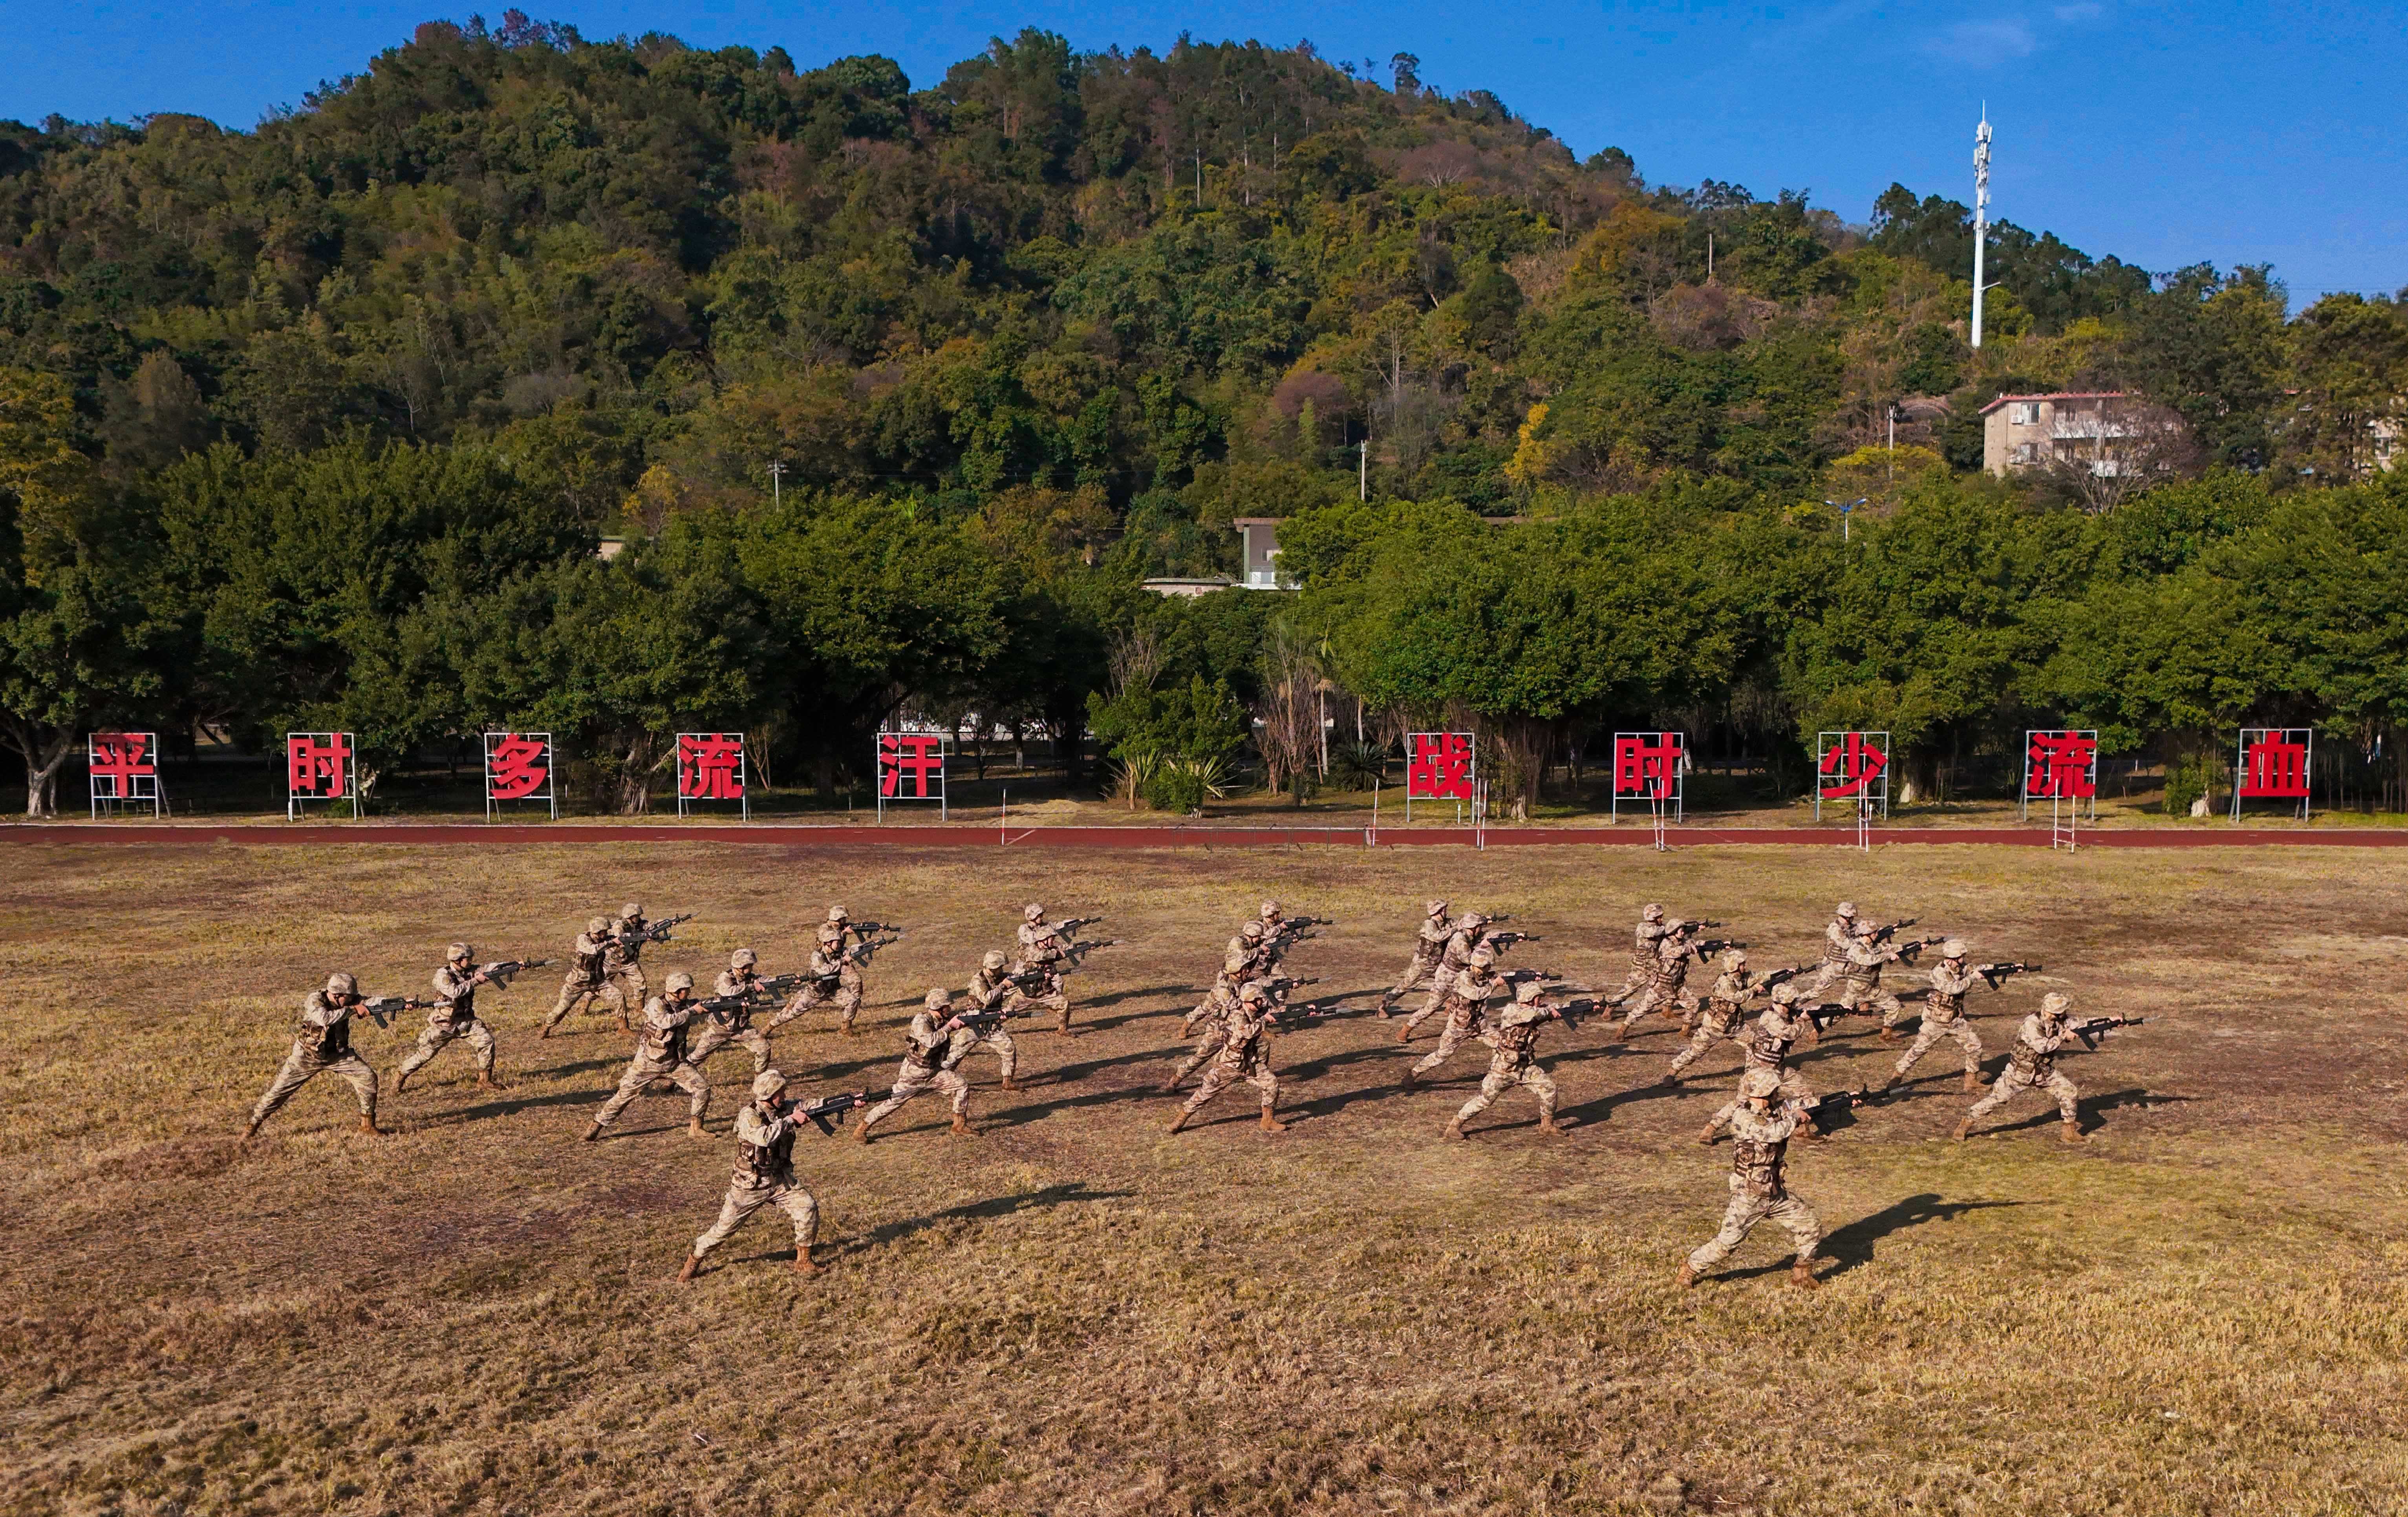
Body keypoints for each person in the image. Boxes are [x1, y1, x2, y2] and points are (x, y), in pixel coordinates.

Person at [676, 1069, 842, 1283]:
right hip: (750, 1186)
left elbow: (811, 1105)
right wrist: (791, 1121)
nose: (785, 1095)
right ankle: (694, 1261)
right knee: (723, 1230)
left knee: (807, 1208)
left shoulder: (783, 1108)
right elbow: (763, 1137)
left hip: (780, 1180)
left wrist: (847, 1101)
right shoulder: (749, 1116)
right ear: (769, 1095)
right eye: (781, 1092)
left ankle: (804, 1262)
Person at [1678, 1069, 1824, 1292]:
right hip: (1750, 1194)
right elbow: (1774, 1133)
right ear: (1766, 1091)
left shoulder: (1774, 1109)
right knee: (1728, 1243)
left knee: (1810, 1226)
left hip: (1775, 1192)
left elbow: (1803, 1104)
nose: (1777, 1093)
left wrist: (1846, 1099)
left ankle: (1802, 1276)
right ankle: (1690, 1268)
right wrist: (1796, 1118)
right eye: (1774, 1089)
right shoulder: (1743, 1116)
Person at [245, 972, 385, 1138]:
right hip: (306, 1057)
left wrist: (403, 1003)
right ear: (337, 995)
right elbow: (324, 1018)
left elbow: (370, 1001)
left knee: (367, 1077)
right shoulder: (315, 1000)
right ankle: (252, 1126)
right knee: (279, 1092)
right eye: (348, 998)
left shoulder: (348, 1001)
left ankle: (367, 1126)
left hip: (337, 1055)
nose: (352, 1001)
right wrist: (353, 1010)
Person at [584, 971, 711, 1141]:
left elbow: (698, 1007)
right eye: (685, 990)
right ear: (676, 990)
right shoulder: (656, 1004)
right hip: (648, 1064)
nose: (688, 993)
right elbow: (665, 1022)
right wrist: (691, 1012)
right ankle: (597, 1125)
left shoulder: (685, 1005)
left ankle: (696, 1128)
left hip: (674, 1063)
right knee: (625, 1095)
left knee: (702, 1089)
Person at [1958, 992, 2088, 1144]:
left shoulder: (2060, 1020)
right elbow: (2042, 1047)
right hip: (2020, 1072)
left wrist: (2110, 1021)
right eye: (2060, 1012)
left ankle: (2069, 1133)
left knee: (2069, 1092)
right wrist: (2062, 1037)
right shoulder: (2032, 1023)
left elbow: (2082, 1023)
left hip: (2043, 1071)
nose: (2063, 1014)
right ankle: (1964, 1125)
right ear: (2049, 1010)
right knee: (1996, 1100)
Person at [1698, 985, 1823, 1144]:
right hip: (1760, 1069)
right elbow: (1789, 1033)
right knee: (1743, 1101)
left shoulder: (1785, 1014)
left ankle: (1802, 1129)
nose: (1793, 1006)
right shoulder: (1771, 1018)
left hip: (1778, 1067)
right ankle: (1711, 1128)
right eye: (1790, 1003)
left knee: (1805, 1093)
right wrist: (1802, 1020)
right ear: (1783, 1002)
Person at [1446, 979, 1565, 1139]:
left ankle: (1547, 1126)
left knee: (1549, 1089)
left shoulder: (1533, 1012)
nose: (1541, 1000)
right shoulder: (1513, 1011)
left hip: (1524, 1067)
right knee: (1485, 1100)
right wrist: (1549, 1012)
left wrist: (1587, 1006)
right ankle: (1455, 1126)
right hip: (1504, 1069)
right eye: (1538, 997)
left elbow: (1545, 1011)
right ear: (1530, 998)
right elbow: (1535, 1014)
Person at [856, 989, 975, 1142]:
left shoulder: (944, 1019)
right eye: (947, 1007)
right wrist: (950, 1028)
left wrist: (983, 1016)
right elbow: (931, 1041)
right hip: (914, 1073)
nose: (950, 1009)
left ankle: (959, 1126)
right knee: (892, 1102)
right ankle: (862, 1128)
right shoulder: (921, 1021)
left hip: (933, 1072)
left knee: (961, 1086)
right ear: (939, 1007)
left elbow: (961, 1019)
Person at [1168, 981, 1285, 1133]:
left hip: (1249, 1063)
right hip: (1229, 1064)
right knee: (1205, 1093)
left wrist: (1306, 1011)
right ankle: (1180, 1120)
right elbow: (1248, 1032)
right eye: (1259, 1000)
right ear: (1250, 1000)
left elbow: (1274, 1013)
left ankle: (1267, 1121)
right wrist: (1264, 1021)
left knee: (1272, 1083)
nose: (1262, 1002)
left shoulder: (1254, 1013)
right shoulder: (1238, 1015)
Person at [1879, 941, 1993, 1094]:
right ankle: (1897, 1076)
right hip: (1936, 1021)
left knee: (1975, 1047)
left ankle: (1971, 1081)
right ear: (1953, 957)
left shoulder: (1962, 967)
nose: (1964, 959)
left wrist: (2005, 968)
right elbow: (1953, 989)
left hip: (1955, 1019)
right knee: (1919, 1050)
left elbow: (1977, 969)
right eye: (1962, 956)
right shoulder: (1939, 972)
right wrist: (1972, 979)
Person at [395, 941, 506, 1094]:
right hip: (445, 1024)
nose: (471, 960)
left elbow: (489, 968)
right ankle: (400, 1077)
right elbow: (455, 992)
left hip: (467, 1022)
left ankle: (485, 1081)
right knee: (424, 1055)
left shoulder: (469, 970)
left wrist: (513, 965)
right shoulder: (443, 975)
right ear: (458, 960)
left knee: (487, 1042)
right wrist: (476, 981)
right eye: (468, 958)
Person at [1405, 947, 1504, 1083]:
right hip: (1459, 1025)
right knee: (1442, 1055)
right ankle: (1413, 1074)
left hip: (1477, 1022)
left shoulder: (1481, 976)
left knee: (1502, 1044)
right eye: (1487, 967)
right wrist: (1494, 985)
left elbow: (1495, 978)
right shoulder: (1464, 977)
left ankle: (1495, 1074)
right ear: (1479, 966)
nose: (1489, 969)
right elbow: (1475, 994)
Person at [1664, 950, 1761, 1083]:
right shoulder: (1726, 983)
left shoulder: (1740, 978)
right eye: (1742, 964)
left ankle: (1750, 1076)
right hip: (1714, 1027)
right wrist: (1755, 990)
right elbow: (1738, 998)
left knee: (1755, 1044)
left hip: (1735, 1026)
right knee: (1695, 1052)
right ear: (1735, 966)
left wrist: (1786, 972)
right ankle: (1672, 1072)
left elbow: (1761, 976)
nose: (1745, 965)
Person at [1400, 910, 1491, 1042]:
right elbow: (1470, 959)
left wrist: (1514, 936)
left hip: (1461, 976)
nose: (1481, 929)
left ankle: (1468, 1028)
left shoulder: (1471, 935)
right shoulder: (1460, 939)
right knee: (1432, 1006)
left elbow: (1489, 935)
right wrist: (1481, 947)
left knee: (1469, 1003)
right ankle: (1408, 1028)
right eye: (1480, 926)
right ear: (1474, 928)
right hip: (1447, 977)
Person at [1612, 920, 1706, 1041]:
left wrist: (1719, 945)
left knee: (1694, 1004)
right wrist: (1689, 949)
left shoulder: (1684, 942)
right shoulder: (1666, 943)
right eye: (1681, 930)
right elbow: (1675, 952)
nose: (1683, 932)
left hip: (1677, 986)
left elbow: (1697, 944)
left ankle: (1685, 1030)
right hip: (1661, 986)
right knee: (1643, 1009)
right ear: (1673, 931)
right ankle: (1623, 1029)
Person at [688, 948, 774, 1075]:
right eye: (747, 967)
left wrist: (791, 980)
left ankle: (760, 1078)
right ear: (740, 966)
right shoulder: (725, 977)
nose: (749, 970)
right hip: (720, 1028)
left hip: (740, 1028)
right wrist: (752, 987)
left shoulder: (750, 977)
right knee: (696, 1057)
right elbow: (728, 992)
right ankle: (673, 1080)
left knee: (763, 1048)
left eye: (750, 966)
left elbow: (766, 981)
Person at [946, 951, 1022, 1091]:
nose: (1002, 970)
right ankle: (942, 1081)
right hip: (974, 1023)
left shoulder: (999, 977)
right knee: (953, 1056)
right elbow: (987, 998)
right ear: (994, 968)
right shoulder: (978, 980)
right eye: (1000, 968)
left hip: (991, 1023)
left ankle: (1007, 1082)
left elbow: (1016, 979)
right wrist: (1003, 986)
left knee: (1008, 1048)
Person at [541, 916, 616, 1036]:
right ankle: (547, 1026)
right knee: (562, 1008)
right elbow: (594, 950)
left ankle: (624, 1028)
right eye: (604, 931)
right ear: (597, 931)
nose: (606, 934)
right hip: (578, 982)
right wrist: (613, 943)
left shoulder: (605, 941)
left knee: (619, 997)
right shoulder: (583, 940)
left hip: (597, 980)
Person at [1009, 904, 1076, 1034]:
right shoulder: (1027, 936)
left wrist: (1077, 944)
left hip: (1042, 987)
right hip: (1025, 981)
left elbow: (1056, 937)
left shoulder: (1046, 935)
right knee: (1006, 997)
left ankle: (1062, 1030)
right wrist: (1056, 953)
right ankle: (989, 1023)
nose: (1041, 917)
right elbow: (1039, 953)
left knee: (1063, 1002)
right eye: (1038, 915)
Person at [1383, 900, 1455, 1016]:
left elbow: (1464, 923)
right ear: (1437, 911)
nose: (1446, 911)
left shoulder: (1448, 923)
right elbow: (1438, 937)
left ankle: (1450, 1004)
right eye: (1443, 909)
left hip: (1440, 964)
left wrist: (1484, 920)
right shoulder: (1429, 924)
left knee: (1452, 980)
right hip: (1423, 964)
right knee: (1406, 985)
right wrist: (1455, 929)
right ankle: (1384, 1005)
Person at [1603, 904, 1672, 1007]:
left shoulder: (1661, 928)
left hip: (1656, 967)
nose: (1662, 919)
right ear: (1653, 918)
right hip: (1642, 968)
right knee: (1629, 989)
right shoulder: (1643, 927)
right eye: (1659, 917)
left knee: (1668, 985)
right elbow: (1655, 932)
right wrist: (1674, 928)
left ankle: (1667, 1010)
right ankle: (1610, 1007)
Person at [602, 901, 653, 1031]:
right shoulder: (619, 926)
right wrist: (641, 937)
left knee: (641, 985)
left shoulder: (641, 924)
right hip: (611, 962)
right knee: (599, 986)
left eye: (639, 916)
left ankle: (639, 1010)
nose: (638, 918)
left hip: (628, 962)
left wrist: (670, 923)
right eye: (636, 916)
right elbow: (622, 939)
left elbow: (652, 926)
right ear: (629, 916)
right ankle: (584, 1007)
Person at [1805, 901, 1859, 998]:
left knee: (1863, 986)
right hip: (1832, 966)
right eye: (1851, 917)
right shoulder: (1835, 929)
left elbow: (1865, 930)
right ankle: (1791, 1005)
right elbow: (1847, 945)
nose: (1852, 919)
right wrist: (1863, 941)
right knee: (1817, 992)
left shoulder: (1851, 927)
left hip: (1848, 965)